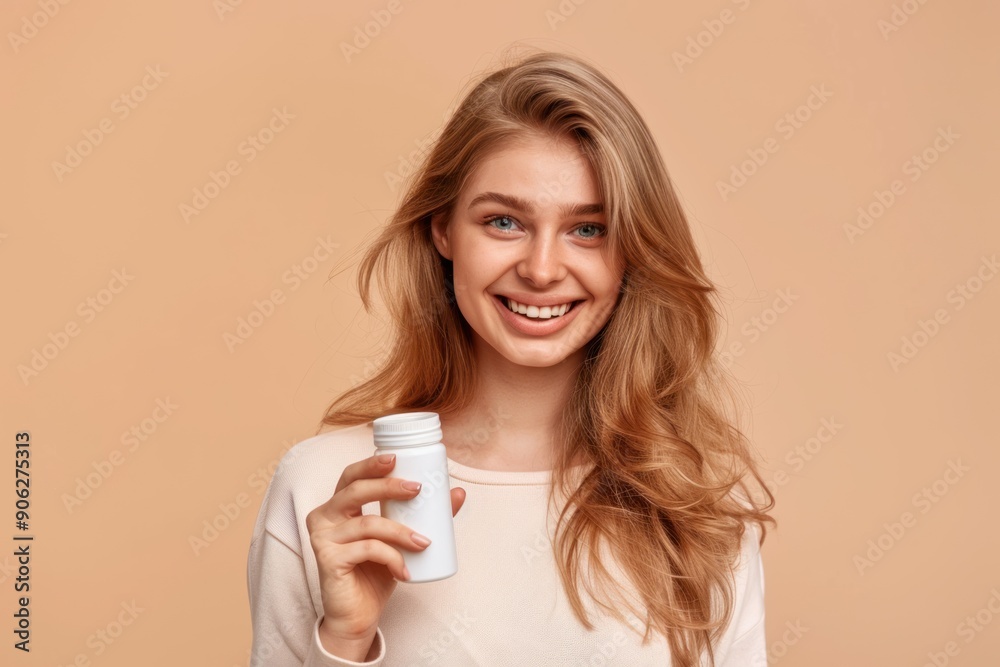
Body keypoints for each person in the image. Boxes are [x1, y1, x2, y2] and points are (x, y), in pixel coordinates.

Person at [247, 47, 776, 667]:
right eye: (504, 222)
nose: (542, 270)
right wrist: (343, 641)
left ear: (633, 249)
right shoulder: (326, 488)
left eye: (588, 229)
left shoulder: (692, 506)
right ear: (443, 229)